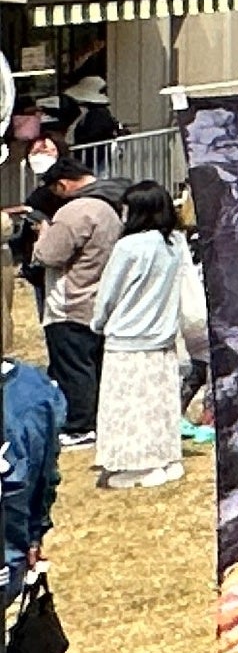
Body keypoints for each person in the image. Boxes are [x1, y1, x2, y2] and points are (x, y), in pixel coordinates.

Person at [92, 180, 194, 488]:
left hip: (127, 339)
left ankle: (139, 467)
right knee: (160, 403)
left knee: (128, 407)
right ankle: (167, 459)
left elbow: (109, 294)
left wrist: (98, 323)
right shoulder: (175, 243)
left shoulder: (129, 246)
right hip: (163, 337)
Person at [23, 158, 115, 444]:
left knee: (73, 368)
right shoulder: (109, 207)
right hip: (99, 298)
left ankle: (79, 425)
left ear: (61, 185)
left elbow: (49, 255)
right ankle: (96, 420)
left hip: (70, 301)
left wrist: (44, 234)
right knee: (94, 365)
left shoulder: (74, 211)